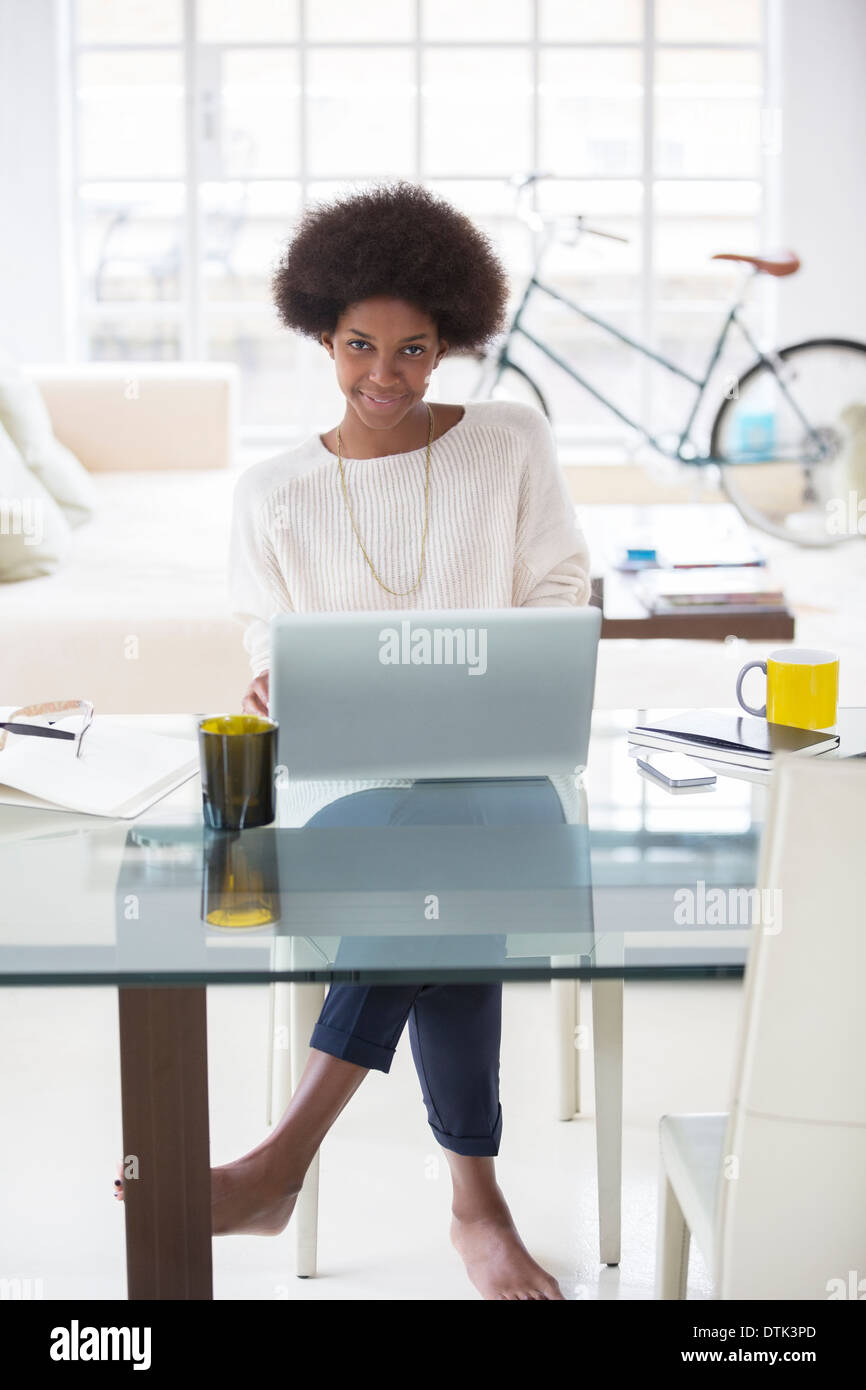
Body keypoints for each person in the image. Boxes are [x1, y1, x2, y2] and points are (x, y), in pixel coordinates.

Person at [126, 181, 592, 1301]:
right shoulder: (274, 493)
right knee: (441, 853)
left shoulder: (510, 444)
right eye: (358, 346)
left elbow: (560, 594)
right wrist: (273, 673)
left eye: (414, 350)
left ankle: (280, 1159)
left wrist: (475, 677)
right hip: (355, 795)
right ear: (320, 333)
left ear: (451, 344)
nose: (384, 375)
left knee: (451, 832)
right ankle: (475, 1207)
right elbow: (264, 633)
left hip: (507, 783)